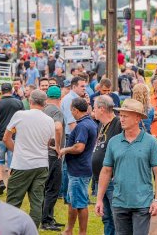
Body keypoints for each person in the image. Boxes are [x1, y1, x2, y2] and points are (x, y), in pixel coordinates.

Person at [95, 99, 157, 235]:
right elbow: (106, 171)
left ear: (137, 118)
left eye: (125, 116)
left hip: (142, 203)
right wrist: (99, 199)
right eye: (121, 115)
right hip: (119, 203)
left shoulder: (151, 142)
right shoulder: (114, 142)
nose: (121, 119)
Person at [3, 90, 55, 227]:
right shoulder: (50, 120)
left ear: (30, 100)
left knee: (13, 203)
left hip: (22, 164)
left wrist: (17, 150)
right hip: (41, 165)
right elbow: (49, 143)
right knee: (37, 203)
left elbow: (6, 138)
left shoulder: (20, 115)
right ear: (45, 103)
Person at [60, 97, 98, 235]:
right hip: (77, 168)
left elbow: (79, 147)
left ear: (75, 110)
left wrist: (65, 150)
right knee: (72, 202)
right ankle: (69, 230)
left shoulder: (82, 126)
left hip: (79, 170)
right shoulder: (89, 122)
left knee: (81, 204)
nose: (71, 112)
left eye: (71, 110)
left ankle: (82, 233)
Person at [91, 95, 122, 235]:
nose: (93, 111)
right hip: (100, 179)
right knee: (106, 218)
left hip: (113, 180)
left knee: (117, 219)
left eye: (94, 108)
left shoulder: (118, 124)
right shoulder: (101, 125)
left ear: (102, 109)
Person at [0, 83, 24, 195]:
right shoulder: (18, 103)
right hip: (14, 137)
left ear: (1, 91)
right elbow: (23, 120)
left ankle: (0, 181)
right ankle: (10, 184)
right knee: (12, 162)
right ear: (11, 90)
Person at [41, 86, 66, 231]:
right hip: (53, 154)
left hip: (43, 154)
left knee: (46, 188)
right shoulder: (56, 111)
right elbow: (58, 128)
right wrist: (57, 146)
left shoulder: (43, 109)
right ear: (59, 98)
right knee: (53, 188)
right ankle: (46, 221)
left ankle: (48, 217)